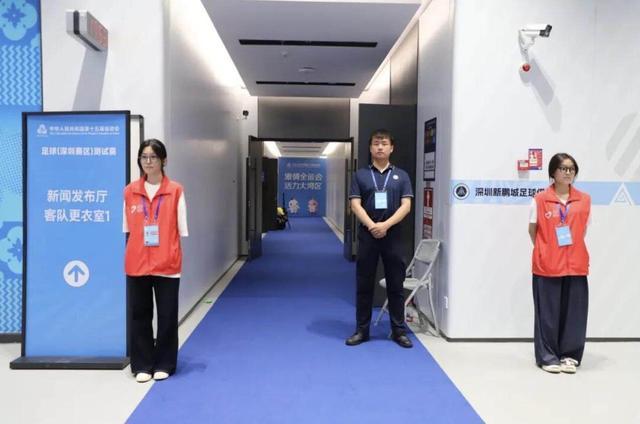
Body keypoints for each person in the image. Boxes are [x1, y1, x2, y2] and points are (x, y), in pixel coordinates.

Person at [123, 139, 188, 383]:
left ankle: (164, 363)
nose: (148, 162)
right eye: (144, 157)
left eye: (153, 157)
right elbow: (127, 228)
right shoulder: (130, 191)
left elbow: (181, 228)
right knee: (139, 315)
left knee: (167, 315)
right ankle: (142, 364)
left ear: (164, 160)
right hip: (137, 262)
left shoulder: (175, 190)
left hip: (167, 263)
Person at [346, 129, 414, 348]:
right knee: (364, 284)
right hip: (368, 235)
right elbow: (355, 205)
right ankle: (362, 330)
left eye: (384, 143)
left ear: (391, 148)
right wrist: (372, 225)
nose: (380, 147)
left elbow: (406, 206)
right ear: (370, 148)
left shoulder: (402, 176)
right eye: (376, 143)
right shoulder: (360, 175)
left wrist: (385, 225)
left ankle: (398, 331)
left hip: (393, 235)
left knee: (396, 284)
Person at [528, 153, 591, 374]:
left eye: (572, 169)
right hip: (547, 265)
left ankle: (570, 356)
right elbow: (533, 230)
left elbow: (582, 230)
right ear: (553, 172)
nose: (568, 172)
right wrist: (546, 250)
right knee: (547, 314)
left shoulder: (584, 200)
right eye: (563, 168)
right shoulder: (540, 199)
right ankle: (548, 356)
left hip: (576, 264)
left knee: (575, 313)